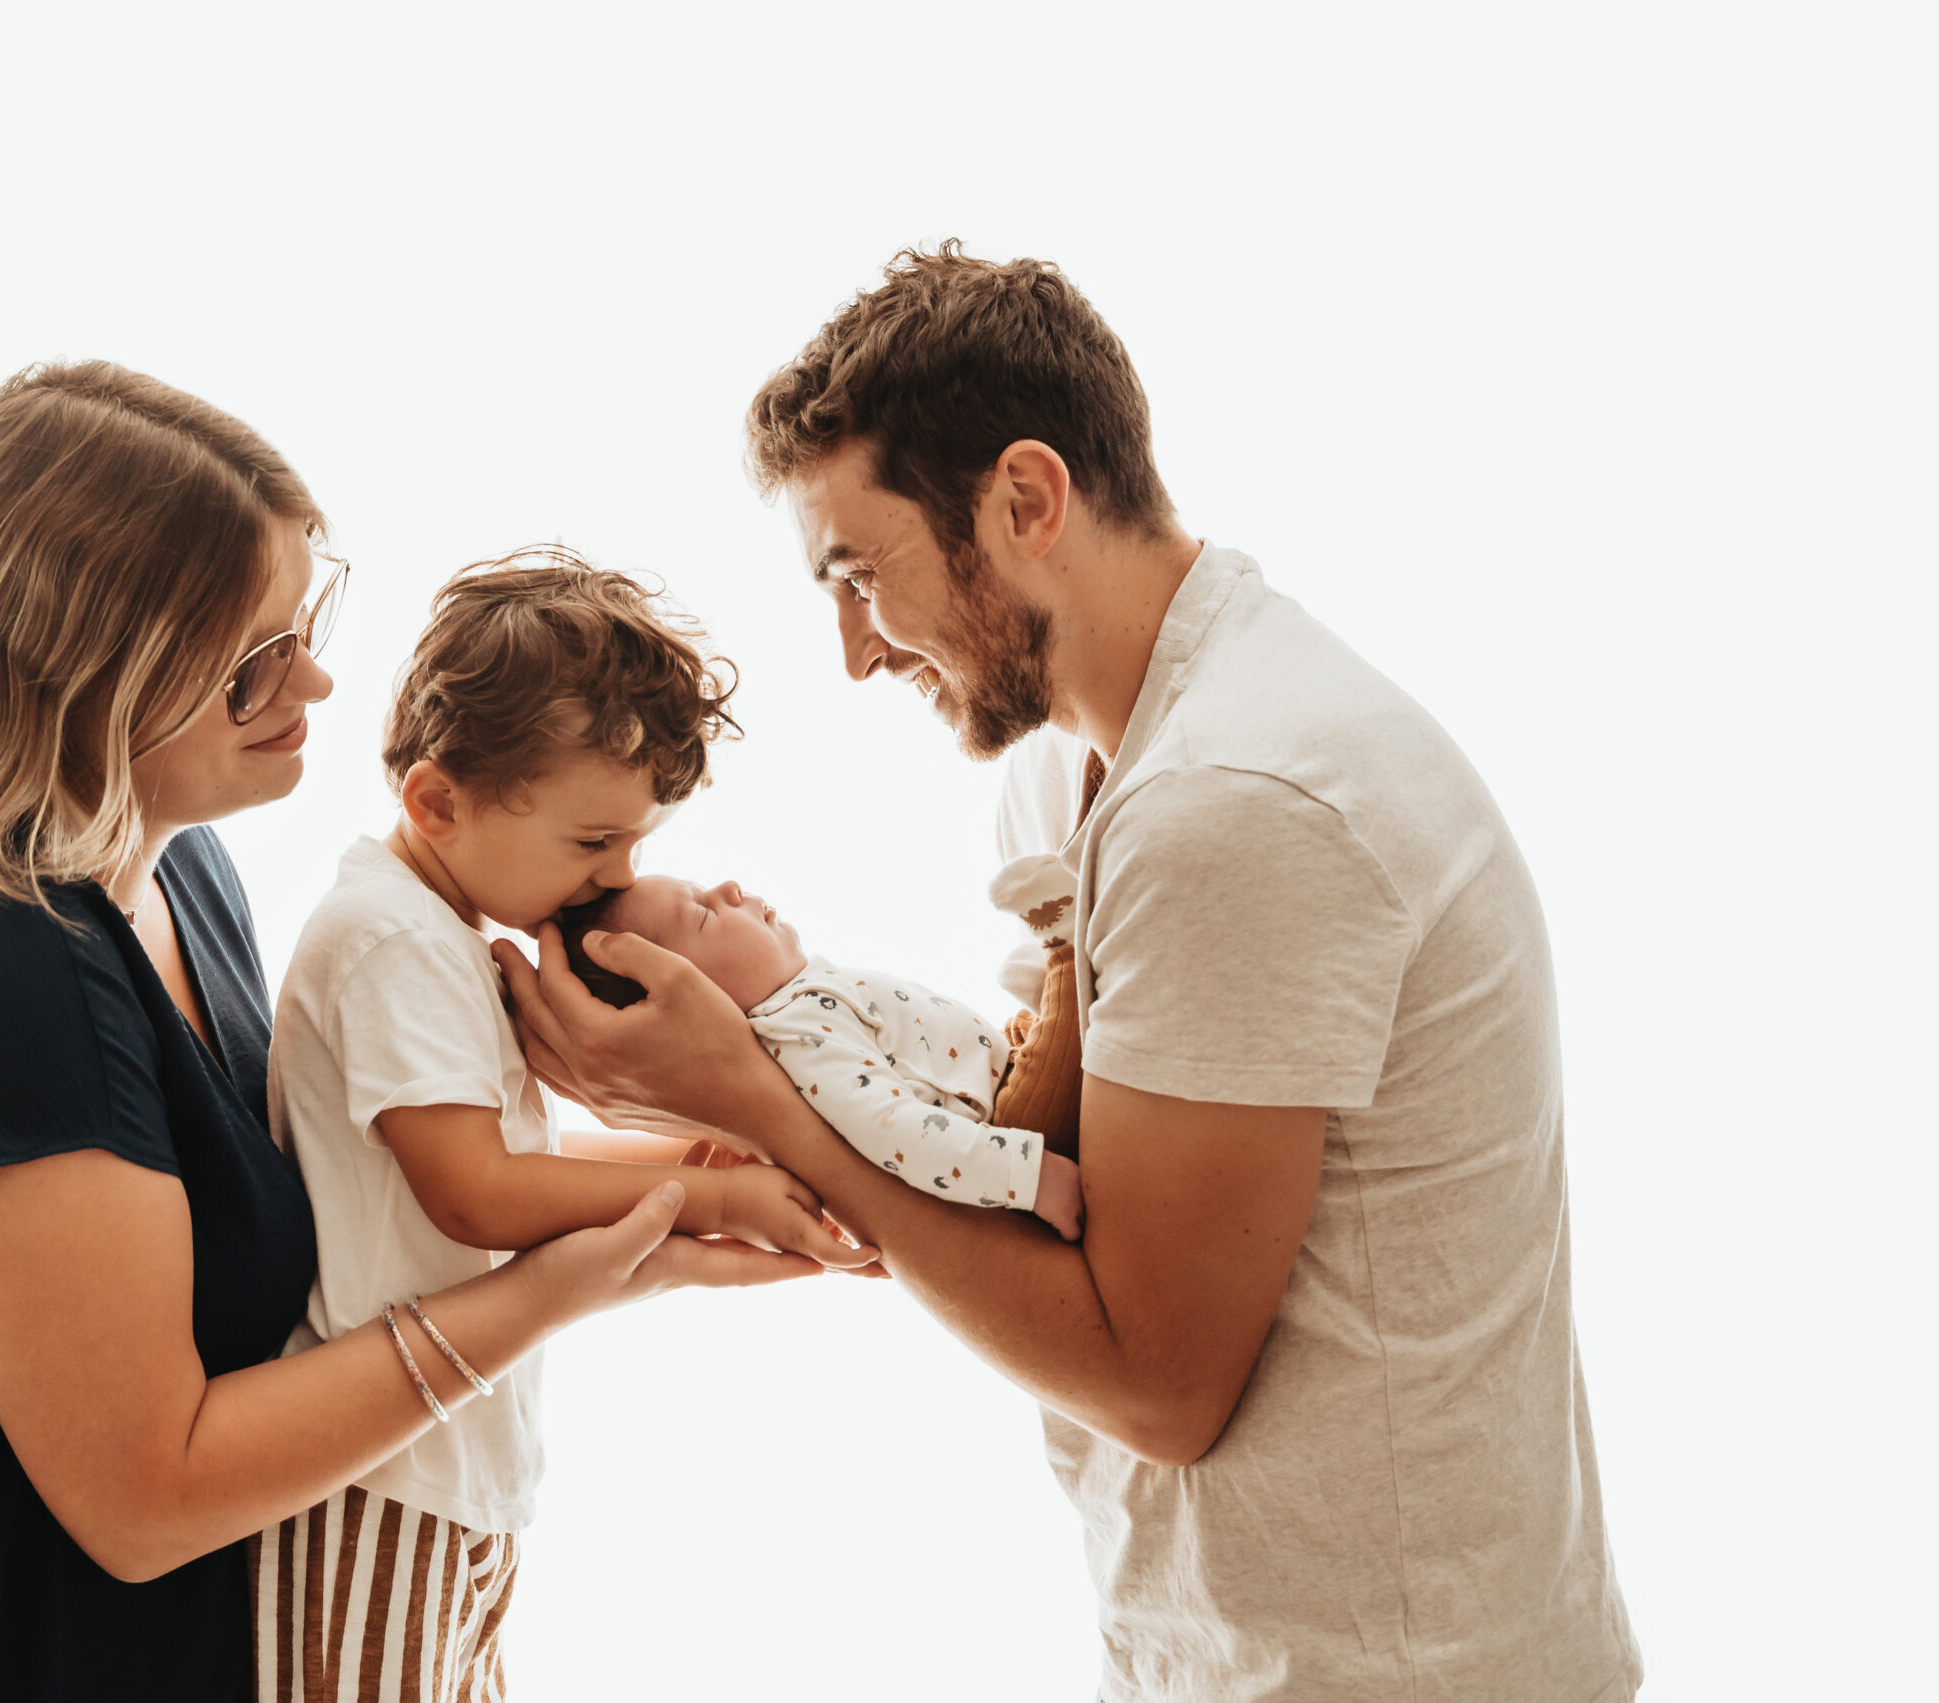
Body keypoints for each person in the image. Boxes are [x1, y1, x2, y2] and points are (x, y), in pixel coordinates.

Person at [498, 246, 1642, 1701]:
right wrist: (778, 1056)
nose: (854, 653)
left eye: (860, 575)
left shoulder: (1233, 800)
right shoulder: (1071, 776)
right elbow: (1040, 1170)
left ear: (1026, 501)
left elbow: (1158, 1378)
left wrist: (759, 1102)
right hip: (1209, 1649)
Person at [0, 365, 820, 1703]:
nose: (316, 674)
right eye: (256, 659)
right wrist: (562, 1284)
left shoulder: (176, 869)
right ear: (91, 674)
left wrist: (685, 1145)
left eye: (306, 618)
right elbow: (147, 1494)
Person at [261, 548, 872, 1700]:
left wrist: (691, 1153)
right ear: (437, 801)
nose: (616, 878)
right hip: (380, 1480)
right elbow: (477, 1192)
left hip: (450, 1468)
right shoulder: (392, 939)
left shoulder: (437, 929)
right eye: (593, 844)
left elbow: (518, 1161)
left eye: (634, 843)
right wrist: (710, 1194)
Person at [556, 873, 1086, 1237]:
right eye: (701, 914)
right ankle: (1063, 932)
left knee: (1052, 1010)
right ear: (693, 1004)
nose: (729, 888)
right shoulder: (796, 1034)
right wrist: (1028, 1175)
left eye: (705, 887)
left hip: (1003, 1069)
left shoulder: (800, 1008)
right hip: (1014, 1116)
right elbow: (894, 1130)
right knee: (1080, 992)